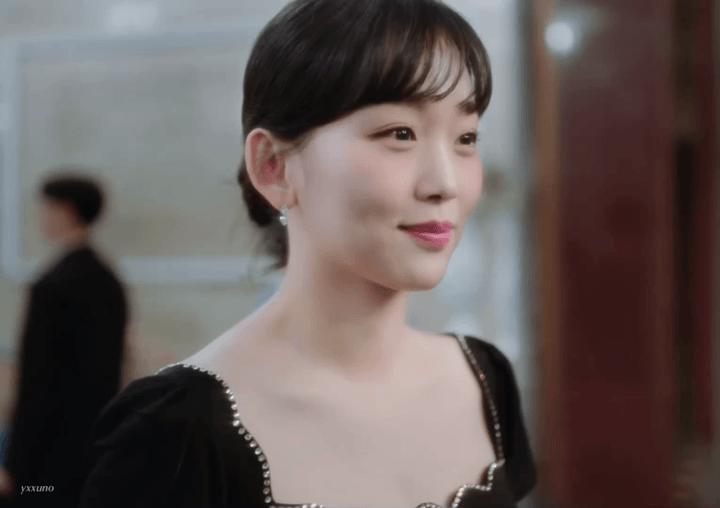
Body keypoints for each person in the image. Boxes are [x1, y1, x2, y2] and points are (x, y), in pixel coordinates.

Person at [79, 0, 537, 507]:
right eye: (400, 134)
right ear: (274, 167)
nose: (445, 183)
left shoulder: (483, 380)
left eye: (466, 138)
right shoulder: (175, 433)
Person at [1, 172, 129, 508]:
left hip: (46, 456)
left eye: (47, 209)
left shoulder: (51, 286)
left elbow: (36, 383)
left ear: (66, 211)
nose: (42, 218)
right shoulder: (109, 282)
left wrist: (14, 462)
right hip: (95, 446)